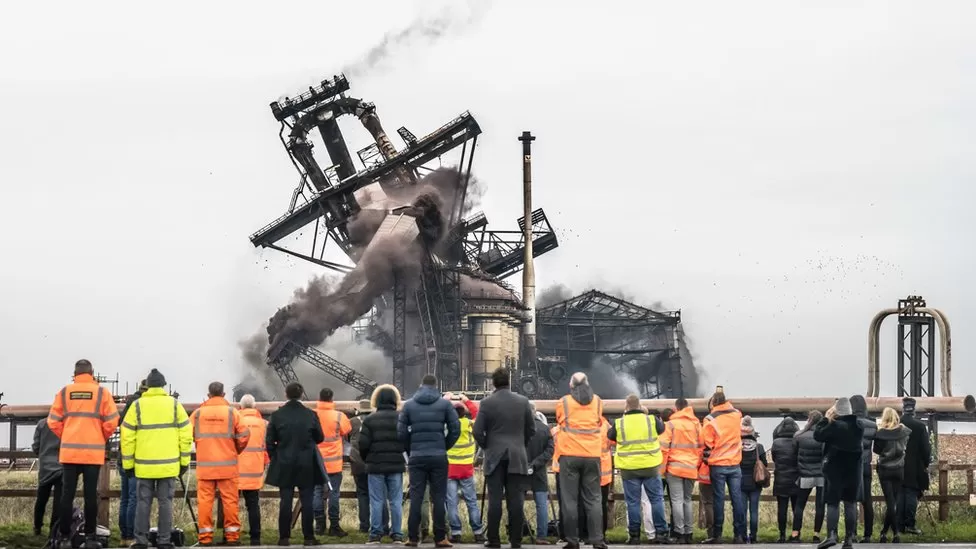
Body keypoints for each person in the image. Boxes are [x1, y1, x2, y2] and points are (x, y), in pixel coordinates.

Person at [48, 359, 120, 549]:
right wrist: (100, 436)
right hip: (92, 452)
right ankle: (90, 537)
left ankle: (64, 538)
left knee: (66, 495)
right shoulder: (102, 393)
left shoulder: (64, 393)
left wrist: (67, 435)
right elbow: (113, 421)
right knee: (90, 495)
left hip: (70, 453)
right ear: (92, 373)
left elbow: (53, 421)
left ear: (75, 374)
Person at [120, 368, 193, 549]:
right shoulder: (175, 405)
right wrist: (183, 462)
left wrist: (129, 464)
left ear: (147, 386)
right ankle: (164, 540)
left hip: (144, 466)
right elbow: (186, 435)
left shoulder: (137, 406)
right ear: (163, 385)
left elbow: (127, 437)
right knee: (165, 503)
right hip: (168, 466)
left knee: (143, 503)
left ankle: (141, 541)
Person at [473, 367, 536, 549]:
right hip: (517, 456)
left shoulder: (486, 403)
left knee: (495, 500)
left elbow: (477, 431)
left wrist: (487, 446)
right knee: (516, 500)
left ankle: (493, 540)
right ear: (509, 381)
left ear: (493, 383)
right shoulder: (523, 401)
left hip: (494, 457)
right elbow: (531, 429)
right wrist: (520, 444)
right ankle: (515, 541)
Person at [398, 374, 461, 548]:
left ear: (420, 385)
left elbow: (401, 433)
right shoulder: (445, 404)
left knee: (417, 497)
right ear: (435, 386)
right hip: (439, 457)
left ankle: (412, 537)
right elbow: (455, 429)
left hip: (417, 457)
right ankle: (440, 537)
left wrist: (411, 450)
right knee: (439, 497)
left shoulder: (409, 405)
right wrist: (444, 446)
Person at [190, 382, 250, 546]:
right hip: (227, 465)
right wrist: (235, 450)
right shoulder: (233, 413)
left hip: (205, 467)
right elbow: (244, 435)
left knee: (204, 502)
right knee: (230, 501)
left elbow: (188, 435)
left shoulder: (197, 414)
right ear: (224, 394)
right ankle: (232, 537)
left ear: (208, 395)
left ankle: (205, 538)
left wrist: (200, 445)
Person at [266, 381, 325, 546]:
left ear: (286, 394)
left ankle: (284, 537)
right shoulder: (311, 414)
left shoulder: (277, 415)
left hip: (284, 463)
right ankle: (309, 538)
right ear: (301, 395)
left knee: (285, 501)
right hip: (307, 464)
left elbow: (269, 442)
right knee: (307, 501)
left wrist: (276, 458)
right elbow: (320, 437)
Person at [554, 372, 607, 549]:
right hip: (592, 455)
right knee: (593, 499)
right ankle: (597, 540)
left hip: (569, 455)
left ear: (571, 386)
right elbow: (600, 422)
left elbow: (559, 419)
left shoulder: (563, 402)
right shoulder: (598, 401)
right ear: (587, 383)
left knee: (569, 500)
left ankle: (572, 540)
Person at [607, 394, 666, 545]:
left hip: (629, 468)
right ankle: (660, 533)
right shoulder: (651, 420)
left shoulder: (619, 423)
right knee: (656, 500)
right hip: (650, 466)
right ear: (640, 406)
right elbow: (662, 429)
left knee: (632, 503)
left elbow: (610, 436)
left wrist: (624, 416)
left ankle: (634, 536)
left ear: (626, 406)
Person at [813, 397, 864, 549]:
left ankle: (832, 535)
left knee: (833, 503)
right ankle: (849, 538)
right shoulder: (859, 426)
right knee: (850, 503)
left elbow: (818, 435)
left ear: (837, 410)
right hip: (853, 471)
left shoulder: (834, 426)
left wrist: (826, 419)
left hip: (834, 470)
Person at [360, 384, 406, 544]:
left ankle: (375, 534)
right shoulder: (401, 417)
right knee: (395, 500)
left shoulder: (369, 420)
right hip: (396, 465)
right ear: (395, 400)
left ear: (376, 400)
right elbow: (406, 441)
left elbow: (363, 444)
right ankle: (397, 534)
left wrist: (368, 459)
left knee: (377, 500)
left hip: (375, 465)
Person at [699, 390, 744, 544]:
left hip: (718, 464)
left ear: (713, 403)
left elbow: (708, 443)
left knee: (718, 499)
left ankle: (717, 534)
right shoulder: (737, 414)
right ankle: (739, 534)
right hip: (735, 463)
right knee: (737, 499)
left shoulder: (710, 419)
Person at [659, 397, 702, 545]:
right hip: (691, 467)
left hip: (675, 467)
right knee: (687, 500)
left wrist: (663, 469)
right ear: (687, 407)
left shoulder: (671, 424)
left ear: (676, 408)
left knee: (676, 501)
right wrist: (696, 464)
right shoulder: (696, 424)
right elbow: (701, 447)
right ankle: (689, 533)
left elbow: (664, 448)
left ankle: (680, 533)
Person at [444, 393, 484, 543]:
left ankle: (456, 533)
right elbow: (478, 415)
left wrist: (445, 400)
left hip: (450, 470)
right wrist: (466, 400)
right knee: (471, 502)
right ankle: (478, 532)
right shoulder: (469, 425)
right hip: (466, 469)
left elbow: (438, 414)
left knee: (452, 503)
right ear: (463, 413)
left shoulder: (447, 426)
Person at [313, 387, 352, 537]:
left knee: (317, 493)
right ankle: (334, 526)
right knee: (334, 493)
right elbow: (347, 429)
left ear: (319, 398)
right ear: (332, 399)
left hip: (317, 462)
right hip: (334, 464)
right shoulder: (339, 416)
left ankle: (319, 525)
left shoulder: (313, 415)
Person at [350, 401, 390, 536]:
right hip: (374, 462)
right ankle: (384, 526)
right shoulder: (377, 421)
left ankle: (364, 525)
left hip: (357, 463)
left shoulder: (352, 422)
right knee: (380, 495)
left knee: (362, 494)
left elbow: (347, 438)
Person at [873, 407, 912, 543]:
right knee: (893, 502)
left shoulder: (881, 433)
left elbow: (876, 450)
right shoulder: (904, 432)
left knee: (890, 502)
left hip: (885, 469)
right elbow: (906, 446)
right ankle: (884, 532)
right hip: (899, 469)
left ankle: (895, 533)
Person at [237, 394, 269, 546]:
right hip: (255, 471)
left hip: (235, 470)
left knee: (231, 504)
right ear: (255, 406)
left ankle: (229, 535)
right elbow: (266, 446)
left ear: (241, 406)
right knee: (253, 506)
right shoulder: (263, 424)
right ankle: (255, 538)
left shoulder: (235, 421)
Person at [118, 379, 147, 546]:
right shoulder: (141, 404)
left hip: (123, 455)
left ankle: (124, 535)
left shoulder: (130, 403)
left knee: (125, 498)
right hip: (135, 456)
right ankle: (131, 535)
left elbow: (120, 424)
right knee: (134, 497)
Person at [792, 410, 826, 542]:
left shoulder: (799, 436)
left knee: (800, 505)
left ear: (809, 420)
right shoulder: (824, 437)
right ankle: (816, 535)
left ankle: (795, 533)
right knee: (820, 506)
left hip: (805, 474)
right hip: (821, 475)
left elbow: (795, 454)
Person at [899, 397, 931, 536]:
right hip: (914, 466)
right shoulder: (919, 426)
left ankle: (898, 526)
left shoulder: (896, 423)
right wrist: (925, 462)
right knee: (911, 493)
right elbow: (926, 449)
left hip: (896, 464)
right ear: (914, 410)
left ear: (903, 408)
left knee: (899, 495)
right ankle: (910, 524)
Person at [849, 395, 877, 542]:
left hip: (852, 466)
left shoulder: (849, 424)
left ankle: (852, 533)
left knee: (852, 500)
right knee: (867, 501)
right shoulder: (872, 425)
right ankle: (868, 535)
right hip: (866, 465)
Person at [737, 416, 767, 544]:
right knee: (754, 510)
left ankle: (743, 535)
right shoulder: (758, 447)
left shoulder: (737, 446)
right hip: (756, 482)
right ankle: (753, 535)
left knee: (742, 510)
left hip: (741, 481)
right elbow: (764, 463)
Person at [527, 406, 554, 544]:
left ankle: (517, 533)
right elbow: (550, 450)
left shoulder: (519, 429)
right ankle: (541, 536)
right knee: (541, 504)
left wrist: (525, 464)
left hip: (521, 471)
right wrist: (536, 463)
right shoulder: (545, 429)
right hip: (539, 472)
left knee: (516, 502)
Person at [770, 417, 800, 543]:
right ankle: (796, 534)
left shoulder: (776, 443)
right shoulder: (797, 441)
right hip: (795, 479)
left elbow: (775, 458)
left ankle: (782, 534)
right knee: (796, 508)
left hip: (781, 479)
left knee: (782, 508)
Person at [32, 417, 62, 537]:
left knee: (41, 499)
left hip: (45, 468)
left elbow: (36, 447)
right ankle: (53, 530)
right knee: (58, 502)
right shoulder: (65, 424)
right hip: (61, 468)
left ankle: (37, 527)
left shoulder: (41, 424)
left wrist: (43, 453)